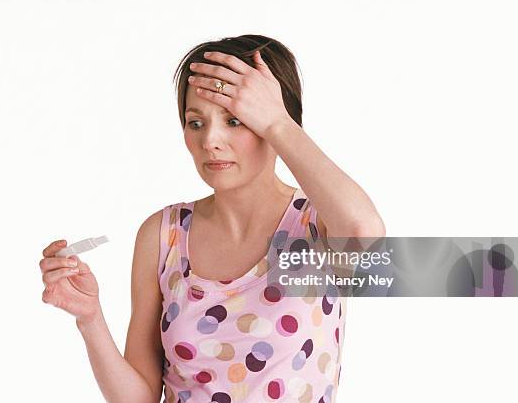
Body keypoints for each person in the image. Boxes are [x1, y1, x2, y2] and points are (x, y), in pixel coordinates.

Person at [38, 34, 385, 403]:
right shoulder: (163, 234)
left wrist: (279, 124)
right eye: (196, 122)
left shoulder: (317, 224)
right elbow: (138, 398)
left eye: (235, 119)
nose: (211, 140)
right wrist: (89, 318)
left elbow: (365, 231)